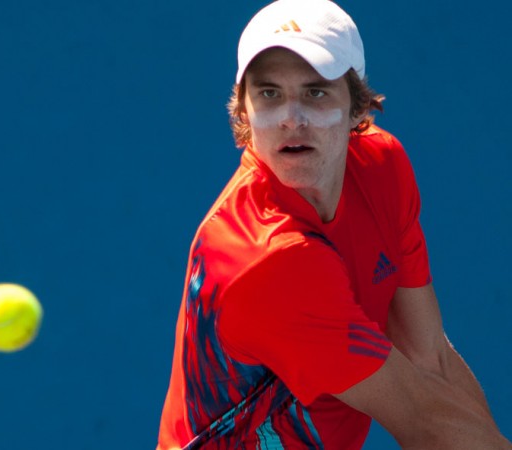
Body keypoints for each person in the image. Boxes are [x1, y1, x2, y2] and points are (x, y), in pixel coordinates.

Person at [156, 0, 512, 448]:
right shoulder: (268, 260)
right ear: (243, 112)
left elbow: (430, 362)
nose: (291, 117)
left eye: (315, 92)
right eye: (269, 94)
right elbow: (423, 420)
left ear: (357, 105)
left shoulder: (382, 167)